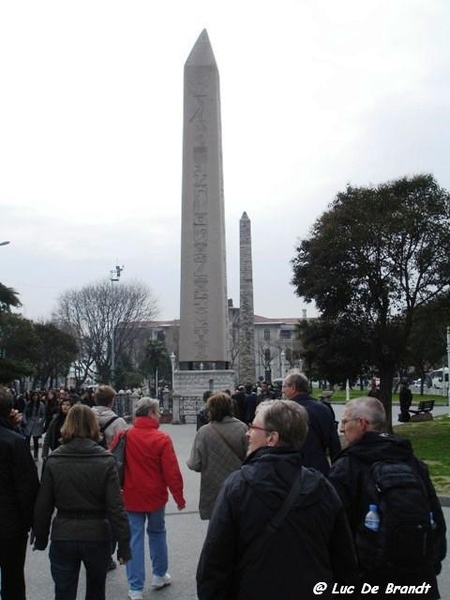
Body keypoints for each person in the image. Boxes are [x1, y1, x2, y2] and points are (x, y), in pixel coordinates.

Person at [197, 400, 359, 600]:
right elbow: (345, 563)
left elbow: (214, 564)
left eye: (253, 427)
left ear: (272, 438)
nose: (247, 434)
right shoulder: (323, 488)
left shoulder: (237, 487)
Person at [329, 397, 446, 599]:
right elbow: (436, 522)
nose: (341, 428)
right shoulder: (412, 461)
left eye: (345, 421)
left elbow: (334, 531)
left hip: (368, 581)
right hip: (419, 580)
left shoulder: (347, 467)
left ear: (363, 424)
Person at [32, 404, 131, 600]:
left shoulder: (54, 460)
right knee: (96, 591)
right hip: (97, 534)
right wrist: (123, 544)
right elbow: (116, 507)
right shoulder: (106, 460)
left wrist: (41, 536)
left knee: (63, 591)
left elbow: (44, 504)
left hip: (64, 532)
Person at [117, 397, 186, 600]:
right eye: (157, 412)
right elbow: (171, 472)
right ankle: (159, 574)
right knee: (157, 532)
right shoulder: (161, 438)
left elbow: (114, 463)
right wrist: (179, 497)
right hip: (155, 495)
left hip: (130, 494)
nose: (159, 416)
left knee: (134, 538)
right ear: (150, 413)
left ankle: (135, 587)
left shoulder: (124, 435)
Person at [0, 387, 40, 600]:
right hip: (10, 525)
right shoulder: (14, 442)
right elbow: (27, 487)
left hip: (10, 523)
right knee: (13, 579)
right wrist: (33, 523)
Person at [187, 392, 248, 519]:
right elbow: (251, 457)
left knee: (217, 527)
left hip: (213, 488)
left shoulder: (204, 432)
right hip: (238, 484)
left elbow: (195, 464)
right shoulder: (243, 428)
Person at [283, 373, 340, 475]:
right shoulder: (324, 408)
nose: (282, 390)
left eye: (284, 386)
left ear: (293, 387)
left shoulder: (286, 410)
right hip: (320, 467)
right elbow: (334, 443)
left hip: (294, 469)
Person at [41, 395, 75, 461]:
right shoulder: (56, 419)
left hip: (70, 453)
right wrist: (45, 452)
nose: (65, 407)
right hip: (56, 451)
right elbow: (48, 435)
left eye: (68, 405)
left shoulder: (74, 420)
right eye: (63, 404)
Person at [23, 390, 46, 461]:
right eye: (34, 396)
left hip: (37, 424)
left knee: (36, 441)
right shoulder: (28, 404)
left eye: (36, 396)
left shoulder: (41, 405)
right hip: (29, 423)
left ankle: (35, 456)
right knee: (27, 440)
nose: (35, 397)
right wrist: (25, 421)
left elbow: (43, 415)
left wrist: (41, 421)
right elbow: (24, 413)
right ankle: (26, 455)